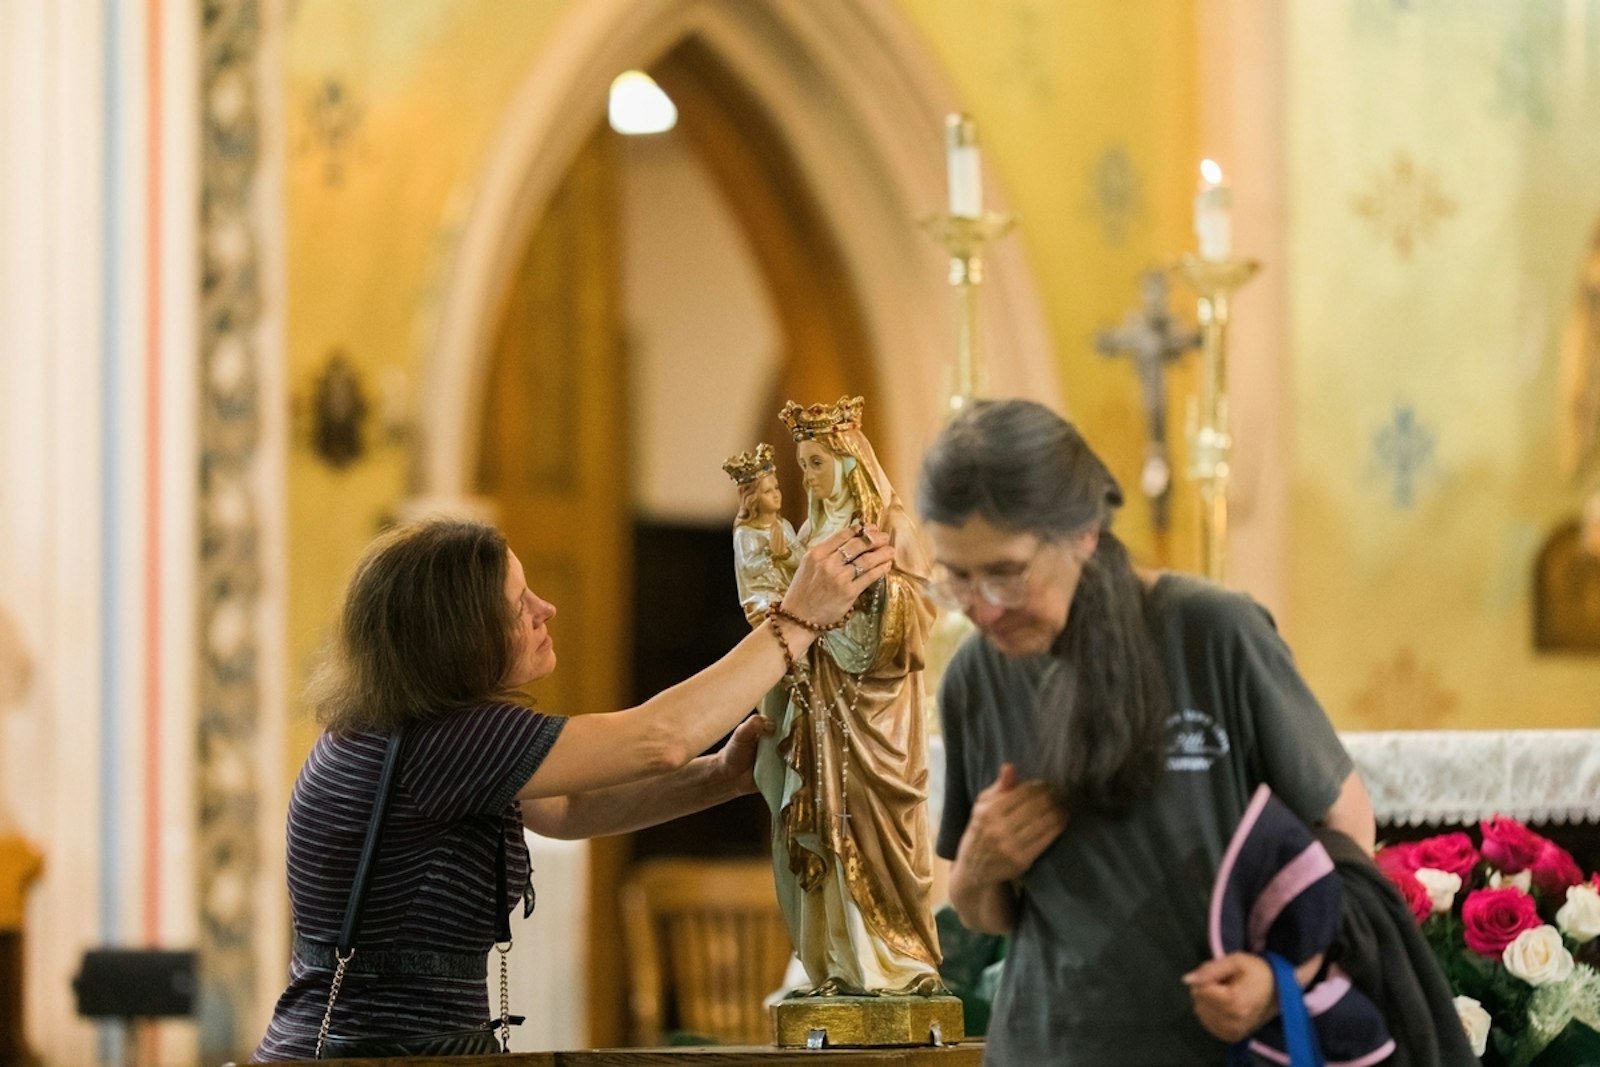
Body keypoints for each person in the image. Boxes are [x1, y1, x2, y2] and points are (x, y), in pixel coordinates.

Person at [252, 515, 893, 1061]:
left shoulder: (394, 729)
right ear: (459, 636)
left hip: (373, 1047)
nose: (545, 610)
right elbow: (661, 737)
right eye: (517, 604)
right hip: (390, 1056)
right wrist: (800, 619)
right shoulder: (449, 740)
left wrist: (719, 777)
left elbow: (565, 810)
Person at [917, 398, 1376, 1065]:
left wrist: (1284, 975)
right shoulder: (973, 678)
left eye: (1007, 572)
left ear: (1082, 533)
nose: (982, 608)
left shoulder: (1214, 632)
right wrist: (979, 869)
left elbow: (1346, 823)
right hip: (1045, 1047)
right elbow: (990, 913)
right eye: (956, 577)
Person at [751, 396, 943, 997]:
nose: (806, 476)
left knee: (879, 831)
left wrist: (876, 592)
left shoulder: (893, 527)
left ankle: (899, 965)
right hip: (823, 712)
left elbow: (923, 613)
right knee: (829, 834)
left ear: (848, 460)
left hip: (879, 714)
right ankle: (840, 965)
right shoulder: (810, 534)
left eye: (815, 463)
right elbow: (790, 619)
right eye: (802, 464)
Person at [722, 442, 799, 625]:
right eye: (767, 491)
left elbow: (801, 560)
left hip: (788, 591)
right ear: (752, 499)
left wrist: (785, 554)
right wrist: (771, 553)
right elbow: (749, 568)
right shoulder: (746, 532)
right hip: (760, 597)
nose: (776, 494)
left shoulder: (784, 525)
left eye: (776, 488)